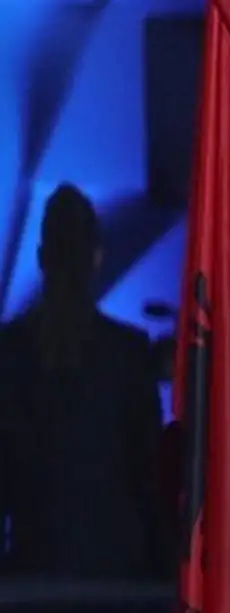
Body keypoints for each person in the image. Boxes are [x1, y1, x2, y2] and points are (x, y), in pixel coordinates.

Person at [0, 183, 167, 581]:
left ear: (42, 257)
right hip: (116, 581)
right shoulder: (128, 353)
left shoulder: (9, 352)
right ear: (96, 257)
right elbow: (150, 482)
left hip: (32, 578)